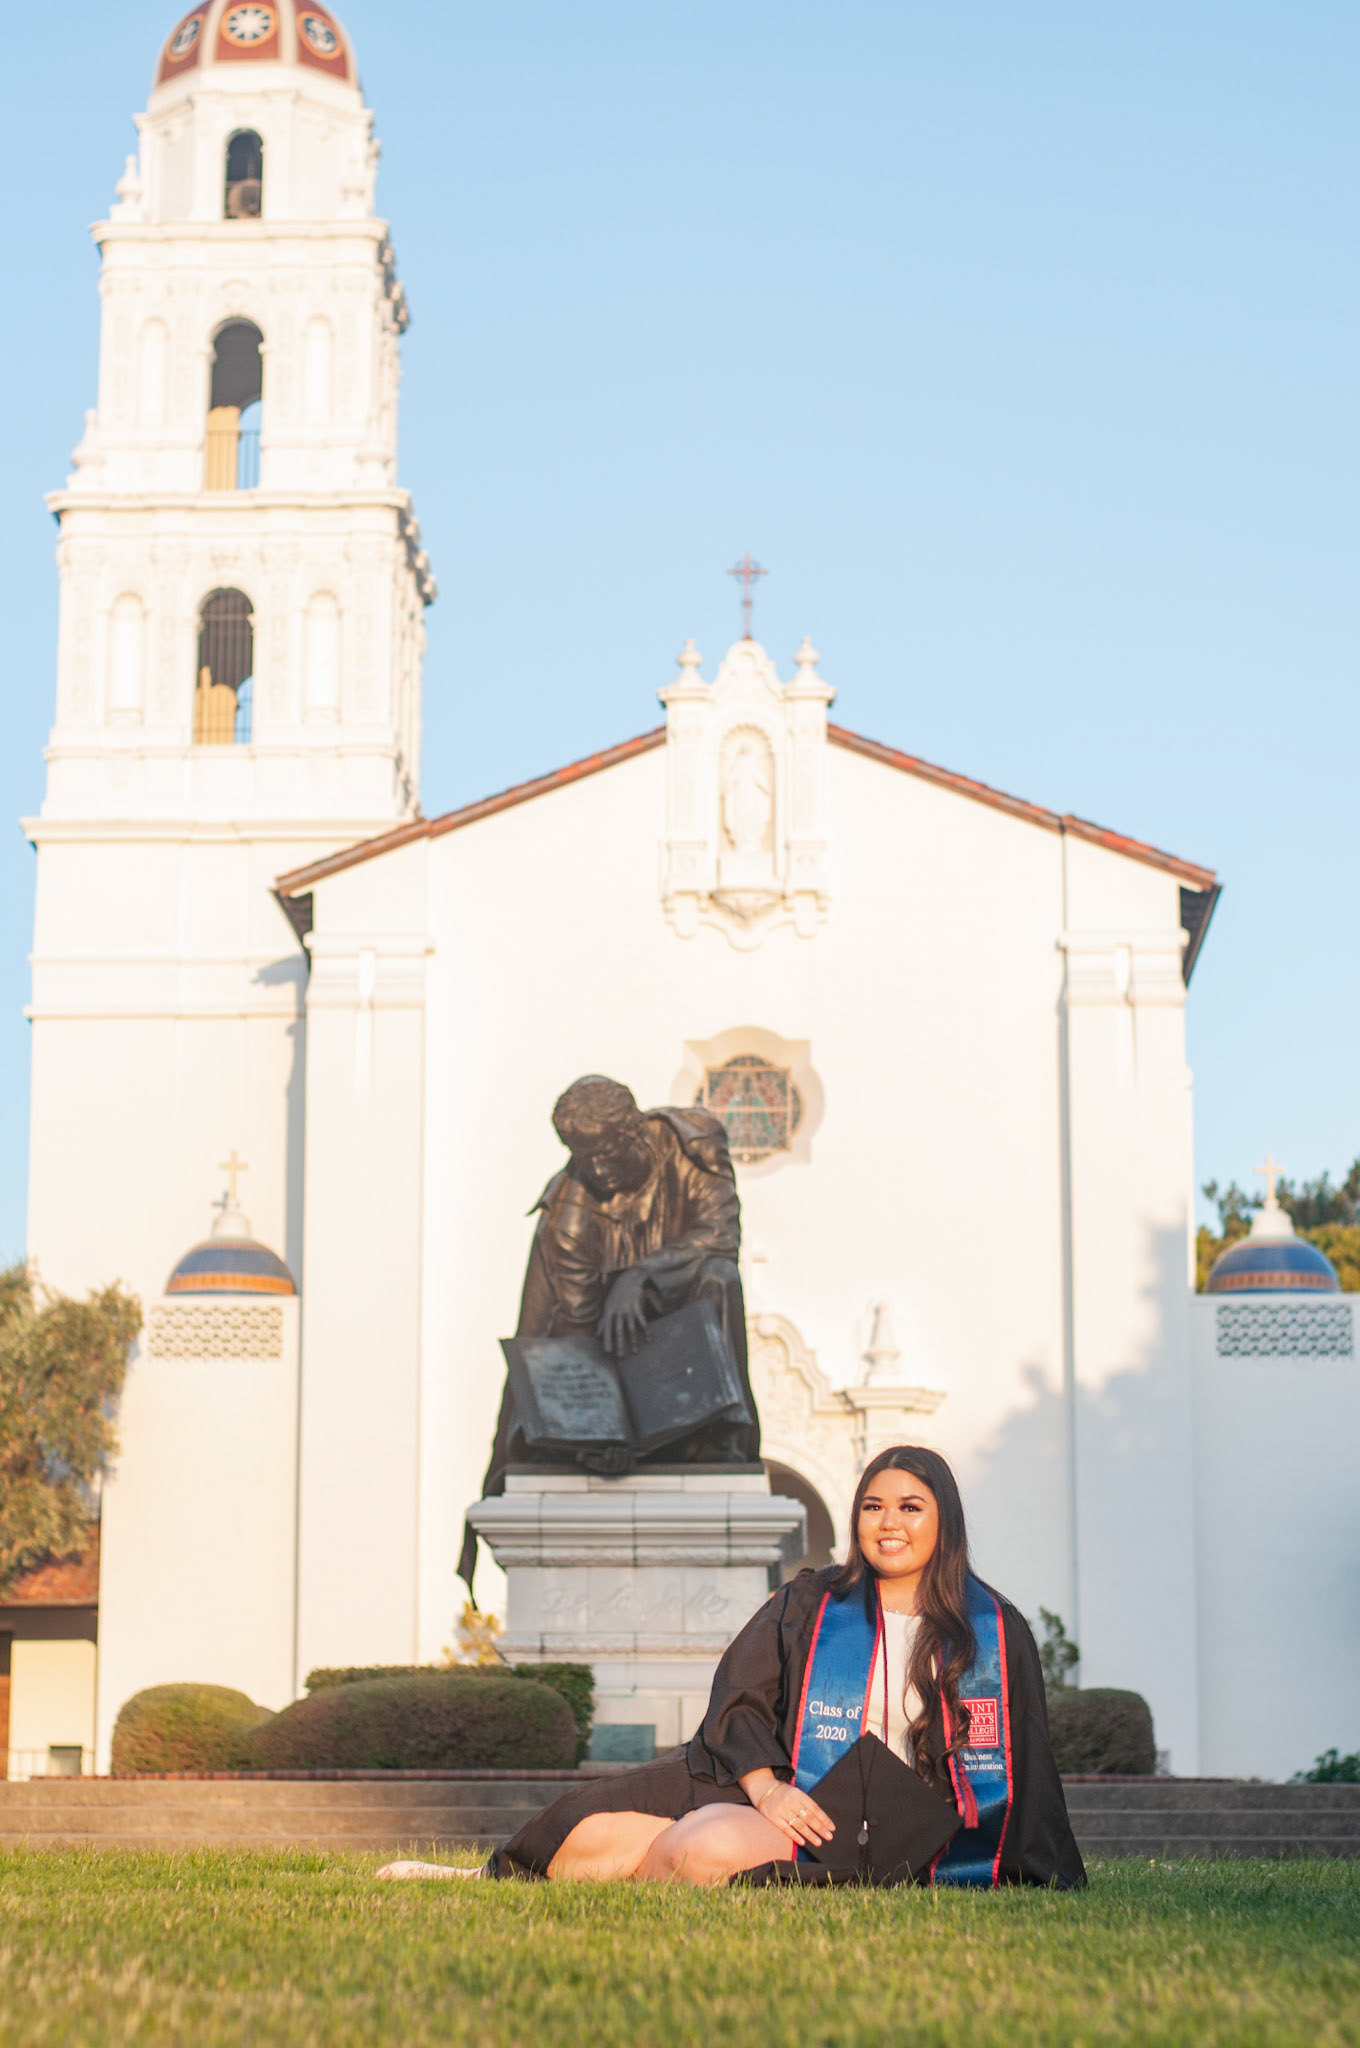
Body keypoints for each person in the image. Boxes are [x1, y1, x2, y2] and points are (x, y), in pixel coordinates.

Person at [383, 1446, 1086, 1889]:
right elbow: (741, 1696)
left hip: (906, 1830)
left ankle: (652, 1869)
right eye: (873, 1506)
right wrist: (767, 1788)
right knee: (588, 1824)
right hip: (801, 1798)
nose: (888, 1522)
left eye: (910, 1507)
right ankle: (487, 1875)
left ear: (944, 1521)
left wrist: (1031, 1862)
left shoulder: (993, 1630)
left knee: (704, 1847)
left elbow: (1022, 1760)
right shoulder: (812, 1603)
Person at [459, 1075, 760, 1588]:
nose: (597, 1170)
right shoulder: (568, 1217)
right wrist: (600, 1436)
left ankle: (715, 1436)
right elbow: (576, 1334)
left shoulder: (692, 1147)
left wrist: (640, 1275)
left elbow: (720, 1234)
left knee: (718, 1276)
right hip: (614, 1349)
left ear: (635, 1131)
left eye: (607, 1154)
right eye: (584, 1158)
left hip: (684, 1336)